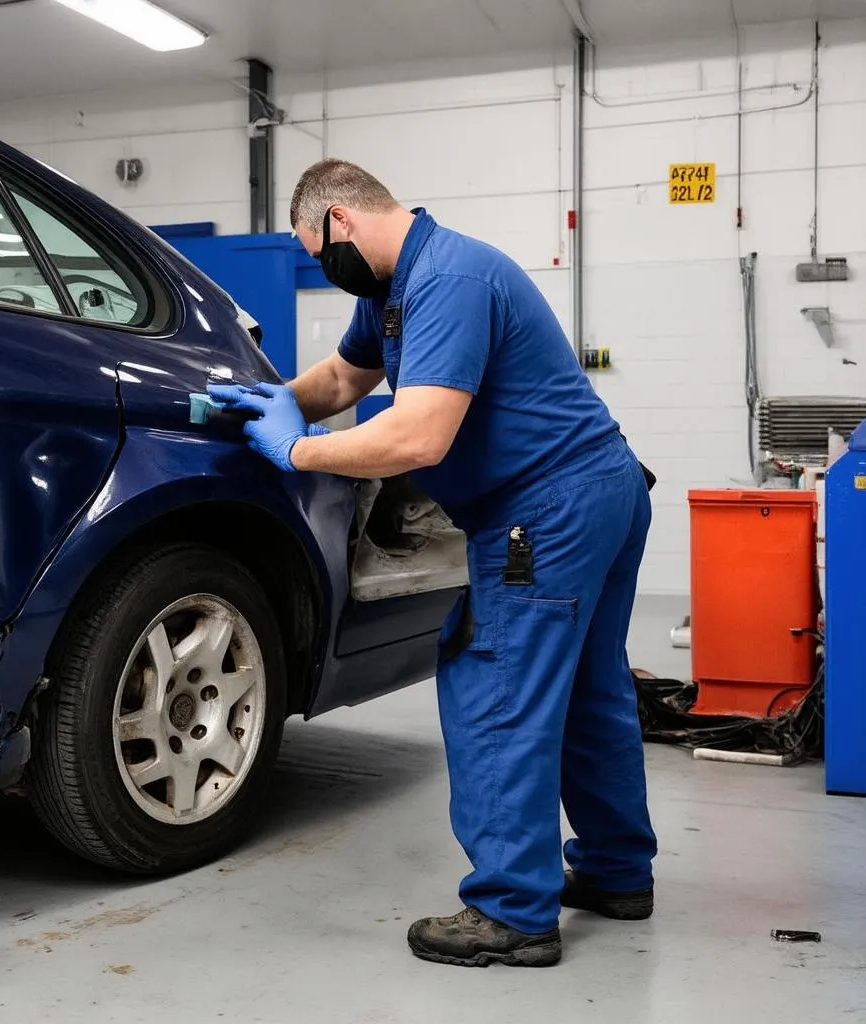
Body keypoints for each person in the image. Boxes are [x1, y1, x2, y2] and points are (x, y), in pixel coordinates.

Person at [209, 159, 657, 969]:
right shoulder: (393, 286)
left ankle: (513, 911)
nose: (322, 267)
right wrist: (271, 397)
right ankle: (618, 872)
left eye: (317, 251)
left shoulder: (449, 279)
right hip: (601, 491)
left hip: (544, 511)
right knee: (591, 687)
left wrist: (300, 449)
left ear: (339, 220)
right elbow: (348, 375)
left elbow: (419, 438)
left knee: (497, 685)